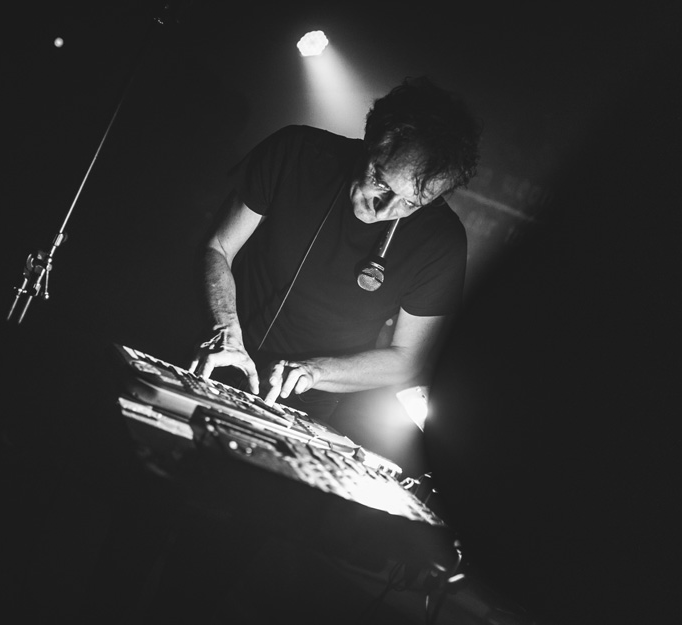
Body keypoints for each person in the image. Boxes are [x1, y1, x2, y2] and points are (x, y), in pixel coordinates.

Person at [190, 76, 482, 421]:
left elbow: (407, 357)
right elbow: (219, 246)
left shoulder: (442, 242)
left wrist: (314, 371)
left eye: (411, 203)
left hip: (308, 400)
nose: (385, 210)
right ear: (372, 140)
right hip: (215, 354)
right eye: (381, 182)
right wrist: (225, 330)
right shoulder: (296, 151)